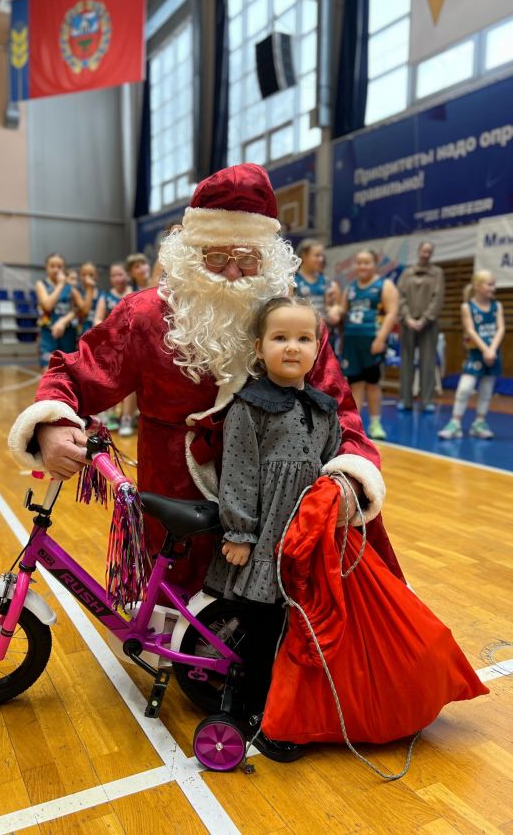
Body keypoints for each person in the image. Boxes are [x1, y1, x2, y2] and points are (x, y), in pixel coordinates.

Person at [9, 163, 401, 599]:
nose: (232, 273)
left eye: (247, 259)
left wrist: (350, 476)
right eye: (216, 258)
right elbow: (74, 374)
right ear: (190, 256)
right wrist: (52, 424)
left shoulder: (294, 328)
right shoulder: (143, 317)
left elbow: (337, 410)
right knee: (175, 615)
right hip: (174, 495)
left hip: (276, 499)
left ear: (268, 260)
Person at [203, 295, 343, 760]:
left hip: (306, 542)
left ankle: (290, 709)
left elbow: (329, 467)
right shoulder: (250, 406)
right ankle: (253, 711)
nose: (292, 347)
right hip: (265, 541)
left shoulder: (324, 408)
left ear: (318, 348)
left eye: (303, 338)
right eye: (280, 338)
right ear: (259, 347)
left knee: (294, 633)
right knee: (262, 635)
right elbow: (239, 474)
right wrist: (239, 533)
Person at [438, 270, 504, 439]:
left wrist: (492, 349)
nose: (493, 288)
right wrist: (485, 349)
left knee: (487, 390)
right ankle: (455, 423)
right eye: (489, 284)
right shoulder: (467, 307)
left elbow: (501, 328)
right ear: (477, 286)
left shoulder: (497, 306)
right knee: (464, 388)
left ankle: (479, 422)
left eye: (493, 284)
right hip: (476, 354)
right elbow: (470, 330)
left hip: (492, 355)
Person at [340, 250, 398, 441]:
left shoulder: (384, 285)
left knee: (372, 384)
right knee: (355, 385)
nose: (362, 266)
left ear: (375, 264)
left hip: (372, 341)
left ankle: (375, 423)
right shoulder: (350, 288)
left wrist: (380, 339)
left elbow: (391, 313)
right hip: (351, 342)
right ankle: (355, 425)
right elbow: (341, 311)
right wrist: (333, 309)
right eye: (359, 262)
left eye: (366, 262)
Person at [397, 241, 445, 411]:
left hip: (429, 324)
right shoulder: (407, 273)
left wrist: (424, 319)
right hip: (407, 323)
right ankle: (405, 400)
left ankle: (427, 401)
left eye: (429, 251)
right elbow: (400, 297)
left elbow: (437, 298)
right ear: (418, 251)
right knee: (406, 362)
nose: (426, 254)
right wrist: (408, 318)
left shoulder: (437, 273)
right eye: (423, 250)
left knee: (428, 362)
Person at [93, 263, 134, 433]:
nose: (117, 278)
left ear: (127, 275)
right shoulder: (105, 297)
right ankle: (110, 416)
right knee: (110, 381)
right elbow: (96, 320)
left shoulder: (135, 293)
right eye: (113, 275)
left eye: (120, 274)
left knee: (131, 383)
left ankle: (127, 418)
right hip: (111, 346)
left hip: (132, 345)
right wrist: (110, 331)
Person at [35, 253, 77, 370]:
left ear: (64, 268)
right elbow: (47, 305)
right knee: (48, 369)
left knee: (67, 371)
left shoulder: (70, 286)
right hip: (48, 332)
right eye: (52, 266)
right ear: (46, 267)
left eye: (59, 266)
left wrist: (63, 322)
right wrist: (60, 285)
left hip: (68, 332)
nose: (56, 269)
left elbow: (76, 310)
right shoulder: (41, 284)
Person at [294, 239, 343, 330]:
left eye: (322, 256)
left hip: (325, 333)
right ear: (304, 256)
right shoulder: (293, 282)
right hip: (301, 331)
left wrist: (336, 310)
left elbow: (339, 306)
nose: (321, 259)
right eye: (317, 255)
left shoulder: (328, 282)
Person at [72, 262, 100, 335]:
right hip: (81, 330)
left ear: (97, 276)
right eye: (84, 275)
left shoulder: (102, 294)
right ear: (80, 276)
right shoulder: (76, 292)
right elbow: (85, 311)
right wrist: (89, 288)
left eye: (91, 275)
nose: (87, 278)